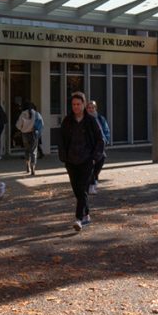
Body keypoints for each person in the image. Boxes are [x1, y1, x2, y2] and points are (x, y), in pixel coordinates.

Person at [58, 92, 104, 232]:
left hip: (86, 160)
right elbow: (61, 140)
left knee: (83, 188)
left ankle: (78, 218)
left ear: (84, 105)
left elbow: (100, 139)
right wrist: (63, 157)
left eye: (78, 104)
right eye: (73, 104)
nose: (76, 107)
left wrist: (95, 157)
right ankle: (87, 213)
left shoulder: (91, 121)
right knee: (77, 190)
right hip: (71, 161)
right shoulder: (67, 121)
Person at [87, 100, 111, 194]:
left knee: (101, 160)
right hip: (90, 146)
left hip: (100, 144)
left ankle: (94, 178)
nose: (91, 109)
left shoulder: (100, 118)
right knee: (91, 165)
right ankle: (92, 184)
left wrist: (106, 140)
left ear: (95, 108)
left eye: (92, 107)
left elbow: (106, 129)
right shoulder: (86, 119)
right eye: (89, 108)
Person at [15, 102, 43, 175]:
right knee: (33, 151)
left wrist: (22, 128)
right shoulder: (36, 114)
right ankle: (33, 168)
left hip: (25, 134)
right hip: (34, 134)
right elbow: (41, 124)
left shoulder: (23, 114)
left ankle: (27, 166)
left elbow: (18, 125)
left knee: (27, 150)